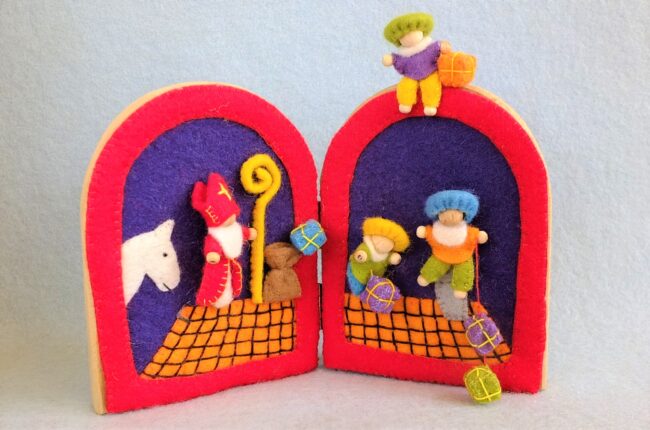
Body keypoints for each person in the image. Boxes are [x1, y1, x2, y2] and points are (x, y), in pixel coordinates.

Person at [191, 173, 257, 308]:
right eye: (227, 217)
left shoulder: (234, 228)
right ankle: (215, 300)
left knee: (232, 282)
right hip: (219, 266)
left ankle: (229, 296)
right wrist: (213, 254)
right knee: (216, 283)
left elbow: (240, 232)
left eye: (232, 214)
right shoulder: (216, 235)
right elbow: (212, 245)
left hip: (231, 264)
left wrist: (249, 233)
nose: (231, 218)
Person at [416, 190, 488, 298]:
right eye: (443, 212)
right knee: (434, 266)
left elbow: (476, 235)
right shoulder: (436, 230)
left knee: (464, 271)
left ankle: (461, 288)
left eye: (456, 211)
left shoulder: (466, 231)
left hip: (463, 256)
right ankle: (426, 276)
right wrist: (424, 232)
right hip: (440, 255)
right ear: (437, 214)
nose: (450, 216)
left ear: (464, 214)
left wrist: (479, 236)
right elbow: (428, 233)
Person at [382, 12, 452, 116]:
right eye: (404, 36)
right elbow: (396, 59)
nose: (409, 37)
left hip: (430, 73)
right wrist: (391, 59)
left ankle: (430, 105)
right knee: (405, 86)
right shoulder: (404, 55)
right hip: (410, 76)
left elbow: (440, 47)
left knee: (431, 86)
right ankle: (405, 103)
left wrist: (443, 46)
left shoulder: (430, 47)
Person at [347, 217, 410, 295]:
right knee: (357, 288)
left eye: (388, 242)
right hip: (357, 273)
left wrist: (394, 258)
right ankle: (358, 293)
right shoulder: (367, 247)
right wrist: (361, 255)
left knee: (372, 290)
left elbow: (390, 258)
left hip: (374, 280)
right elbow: (361, 253)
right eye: (381, 239)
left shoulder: (387, 255)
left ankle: (365, 294)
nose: (382, 243)